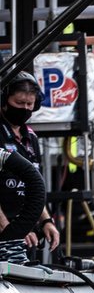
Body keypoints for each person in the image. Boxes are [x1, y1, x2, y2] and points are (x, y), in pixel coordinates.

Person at [0, 72, 60, 257]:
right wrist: (10, 230)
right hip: (7, 231)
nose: (25, 109)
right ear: (4, 100)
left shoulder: (31, 138)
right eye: (19, 103)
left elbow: (34, 187)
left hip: (25, 233)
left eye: (29, 104)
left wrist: (46, 221)